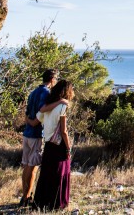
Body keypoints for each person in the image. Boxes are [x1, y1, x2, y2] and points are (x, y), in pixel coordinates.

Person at [20, 69, 61, 207]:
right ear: (52, 79)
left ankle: (24, 195)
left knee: (26, 165)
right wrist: (60, 102)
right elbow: (42, 109)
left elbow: (26, 113)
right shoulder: (45, 92)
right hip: (36, 134)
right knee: (33, 167)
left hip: (26, 133)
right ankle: (27, 196)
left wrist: (29, 122)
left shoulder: (33, 92)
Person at [33, 80, 75, 210]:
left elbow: (38, 117)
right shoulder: (63, 107)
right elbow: (63, 131)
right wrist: (68, 148)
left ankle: (42, 201)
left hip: (49, 143)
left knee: (47, 172)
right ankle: (58, 202)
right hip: (59, 144)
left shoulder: (48, 106)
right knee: (61, 173)